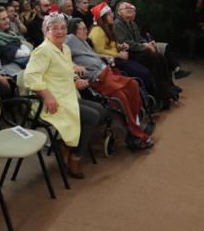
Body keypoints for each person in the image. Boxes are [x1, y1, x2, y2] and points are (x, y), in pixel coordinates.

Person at [23, 14, 106, 178]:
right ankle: (75, 155)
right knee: (92, 116)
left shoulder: (65, 49)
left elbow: (67, 70)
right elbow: (30, 77)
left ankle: (66, 146)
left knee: (100, 109)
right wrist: (47, 95)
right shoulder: (43, 50)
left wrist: (75, 80)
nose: (60, 32)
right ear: (47, 30)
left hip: (66, 96)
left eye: (63, 28)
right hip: (50, 101)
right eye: (55, 28)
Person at [66, 18, 153, 150]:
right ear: (74, 31)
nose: (85, 31)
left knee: (133, 84)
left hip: (106, 72)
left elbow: (91, 55)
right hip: (97, 79)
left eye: (85, 28)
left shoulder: (83, 41)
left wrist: (103, 57)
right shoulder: (70, 39)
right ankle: (135, 133)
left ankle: (136, 120)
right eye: (82, 29)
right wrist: (74, 65)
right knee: (121, 97)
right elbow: (62, 56)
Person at [87, 2, 166, 107]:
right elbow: (99, 51)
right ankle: (151, 99)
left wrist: (121, 46)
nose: (112, 16)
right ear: (103, 17)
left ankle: (158, 95)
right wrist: (118, 54)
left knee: (148, 65)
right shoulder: (97, 30)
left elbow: (111, 45)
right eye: (109, 14)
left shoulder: (107, 28)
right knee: (145, 72)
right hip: (111, 62)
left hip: (119, 58)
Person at [114, 0, 190, 80]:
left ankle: (170, 80)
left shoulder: (132, 23)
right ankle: (161, 85)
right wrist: (145, 46)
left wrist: (148, 43)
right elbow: (126, 43)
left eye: (131, 8)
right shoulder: (118, 23)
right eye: (127, 8)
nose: (130, 10)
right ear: (119, 12)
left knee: (161, 54)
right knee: (154, 55)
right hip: (131, 52)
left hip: (139, 47)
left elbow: (139, 38)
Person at [0, 6, 34, 77]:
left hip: (20, 63)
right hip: (7, 67)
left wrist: (28, 53)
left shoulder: (10, 33)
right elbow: (11, 52)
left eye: (7, 17)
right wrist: (29, 53)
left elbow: (20, 44)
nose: (7, 20)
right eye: (3, 19)